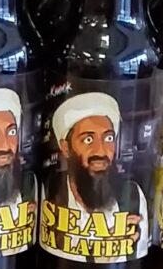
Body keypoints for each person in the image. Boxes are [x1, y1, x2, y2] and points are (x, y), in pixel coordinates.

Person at [51, 91, 145, 221]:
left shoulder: (133, 197)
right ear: (66, 148)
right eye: (88, 140)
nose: (100, 151)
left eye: (108, 138)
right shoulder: (49, 190)